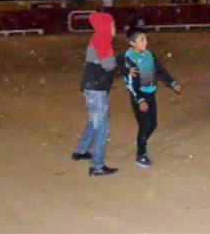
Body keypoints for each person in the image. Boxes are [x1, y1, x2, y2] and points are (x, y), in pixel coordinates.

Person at [123, 27, 182, 167]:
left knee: (153, 123)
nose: (146, 42)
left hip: (150, 94)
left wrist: (172, 82)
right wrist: (140, 100)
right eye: (142, 40)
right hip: (139, 97)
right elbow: (131, 84)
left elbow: (160, 69)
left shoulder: (149, 54)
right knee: (144, 125)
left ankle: (141, 140)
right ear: (132, 43)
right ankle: (141, 154)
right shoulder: (130, 59)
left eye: (146, 39)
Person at [72, 12, 121, 176]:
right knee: (102, 126)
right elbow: (109, 66)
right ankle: (96, 165)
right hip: (96, 88)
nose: (115, 28)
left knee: (94, 120)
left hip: (90, 86)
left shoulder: (96, 38)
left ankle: (81, 150)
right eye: (113, 24)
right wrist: (123, 62)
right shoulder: (103, 40)